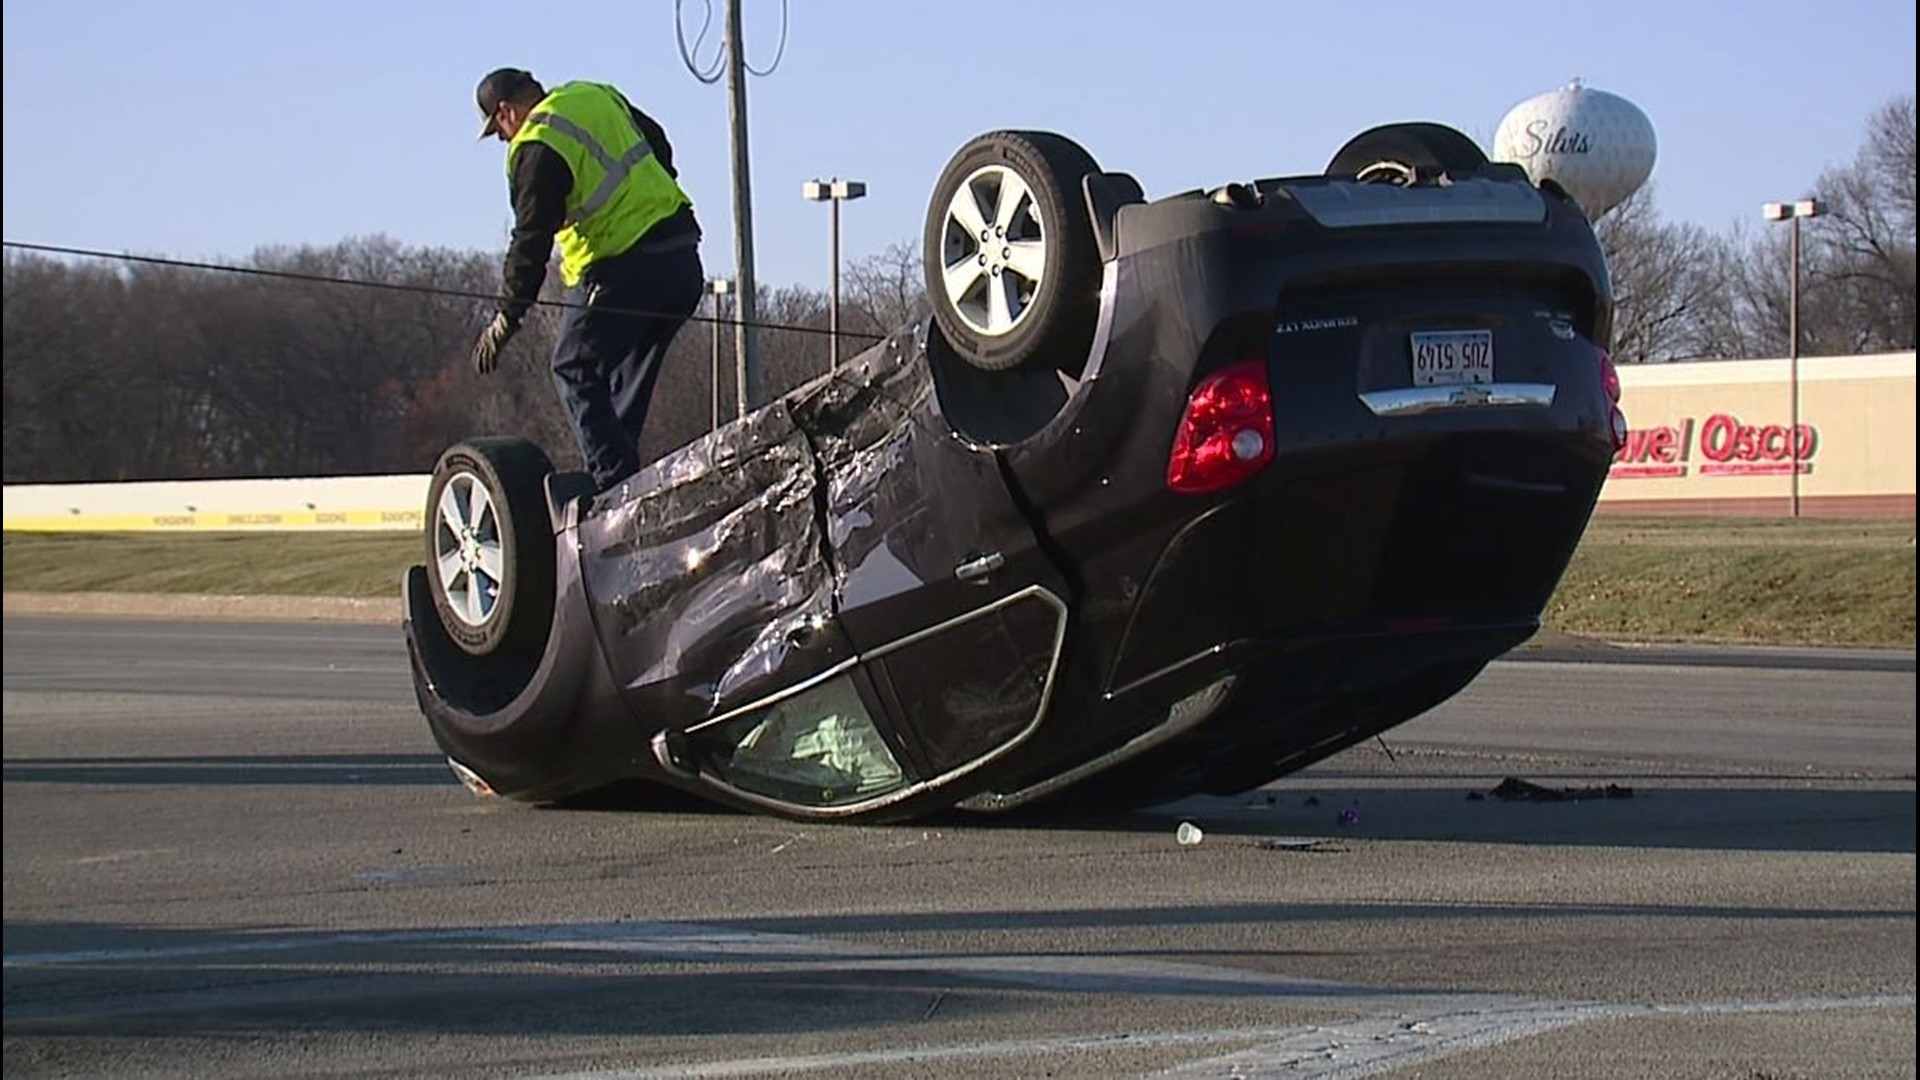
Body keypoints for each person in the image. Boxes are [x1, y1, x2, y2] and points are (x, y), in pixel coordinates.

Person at [468, 67, 705, 493]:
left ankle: (614, 491)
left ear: (505, 112)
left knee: (574, 365)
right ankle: (630, 485)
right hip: (681, 256)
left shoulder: (536, 146)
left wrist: (507, 317)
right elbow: (658, 142)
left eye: (497, 130)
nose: (502, 140)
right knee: (619, 386)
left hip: (622, 267)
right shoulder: (593, 95)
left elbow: (530, 241)